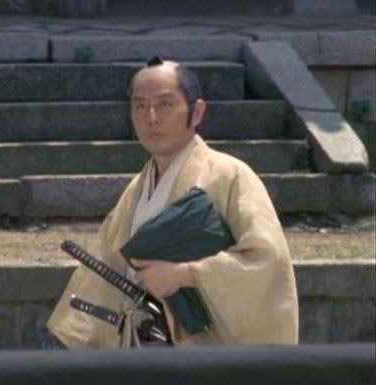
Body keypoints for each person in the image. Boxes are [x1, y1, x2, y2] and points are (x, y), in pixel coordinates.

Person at [47, 57, 299, 348]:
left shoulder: (230, 176)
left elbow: (268, 262)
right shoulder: (136, 189)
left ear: (197, 112)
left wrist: (186, 275)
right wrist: (73, 341)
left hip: (204, 354)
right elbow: (105, 270)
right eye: (140, 106)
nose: (151, 117)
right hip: (140, 344)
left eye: (165, 104)